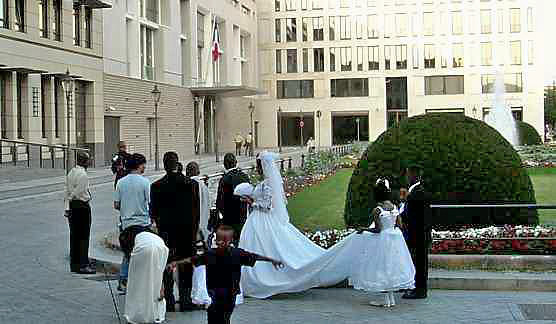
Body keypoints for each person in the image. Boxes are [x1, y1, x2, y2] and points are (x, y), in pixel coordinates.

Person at [239, 151, 357, 298]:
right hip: (258, 220)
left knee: (266, 246)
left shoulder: (268, 185)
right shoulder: (266, 183)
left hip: (262, 219)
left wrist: (251, 202)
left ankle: (264, 278)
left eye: (258, 167)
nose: (257, 169)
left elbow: (269, 206)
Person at [167, 225, 283, 324]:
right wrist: (176, 263)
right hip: (215, 292)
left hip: (230, 293)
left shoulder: (237, 254)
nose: (219, 242)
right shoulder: (210, 254)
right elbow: (193, 259)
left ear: (230, 241)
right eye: (218, 239)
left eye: (223, 239)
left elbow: (255, 256)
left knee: (223, 317)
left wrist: (272, 260)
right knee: (214, 315)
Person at [350, 179, 415, 307]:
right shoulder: (394, 207)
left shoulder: (377, 210)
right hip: (395, 239)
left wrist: (364, 229)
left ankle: (385, 299)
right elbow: (400, 224)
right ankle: (390, 298)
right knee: (392, 266)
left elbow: (378, 229)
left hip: (383, 240)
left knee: (382, 267)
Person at [150, 152, 200, 312]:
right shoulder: (191, 184)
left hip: (166, 234)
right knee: (186, 267)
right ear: (177, 164)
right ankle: (185, 300)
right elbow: (196, 211)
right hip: (186, 233)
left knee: (167, 267)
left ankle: (169, 300)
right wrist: (194, 231)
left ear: (164, 165)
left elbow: (154, 213)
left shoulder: (156, 186)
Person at [114, 153, 152, 293]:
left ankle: (123, 279)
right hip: (142, 224)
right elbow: (149, 202)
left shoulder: (121, 182)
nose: (145, 167)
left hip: (126, 224)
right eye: (144, 164)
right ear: (139, 165)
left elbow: (116, 204)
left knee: (127, 252)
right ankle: (141, 281)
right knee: (143, 253)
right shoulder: (145, 182)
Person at [123, 228, 169, 324]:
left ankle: (136, 314)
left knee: (137, 282)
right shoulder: (147, 233)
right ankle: (155, 313)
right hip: (161, 247)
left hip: (143, 248)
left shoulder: (126, 236)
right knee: (157, 280)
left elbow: (128, 255)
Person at [400, 165, 432, 299]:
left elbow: (412, 217)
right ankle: (415, 287)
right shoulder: (414, 193)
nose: (406, 177)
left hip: (418, 235)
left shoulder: (417, 194)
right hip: (418, 235)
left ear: (414, 176)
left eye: (408, 174)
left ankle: (420, 290)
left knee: (419, 264)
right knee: (416, 262)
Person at [64, 151, 95, 274]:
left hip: (72, 206)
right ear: (84, 161)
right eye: (88, 160)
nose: (90, 161)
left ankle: (75, 263)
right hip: (81, 206)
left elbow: (66, 190)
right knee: (83, 236)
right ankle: (83, 264)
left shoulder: (71, 172)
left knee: (74, 235)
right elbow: (77, 192)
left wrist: (66, 207)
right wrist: (71, 198)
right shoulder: (83, 175)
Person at [216, 153, 250, 244]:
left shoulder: (225, 179)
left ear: (224, 164)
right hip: (243, 215)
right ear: (236, 163)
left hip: (229, 218)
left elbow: (220, 200)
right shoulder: (244, 176)